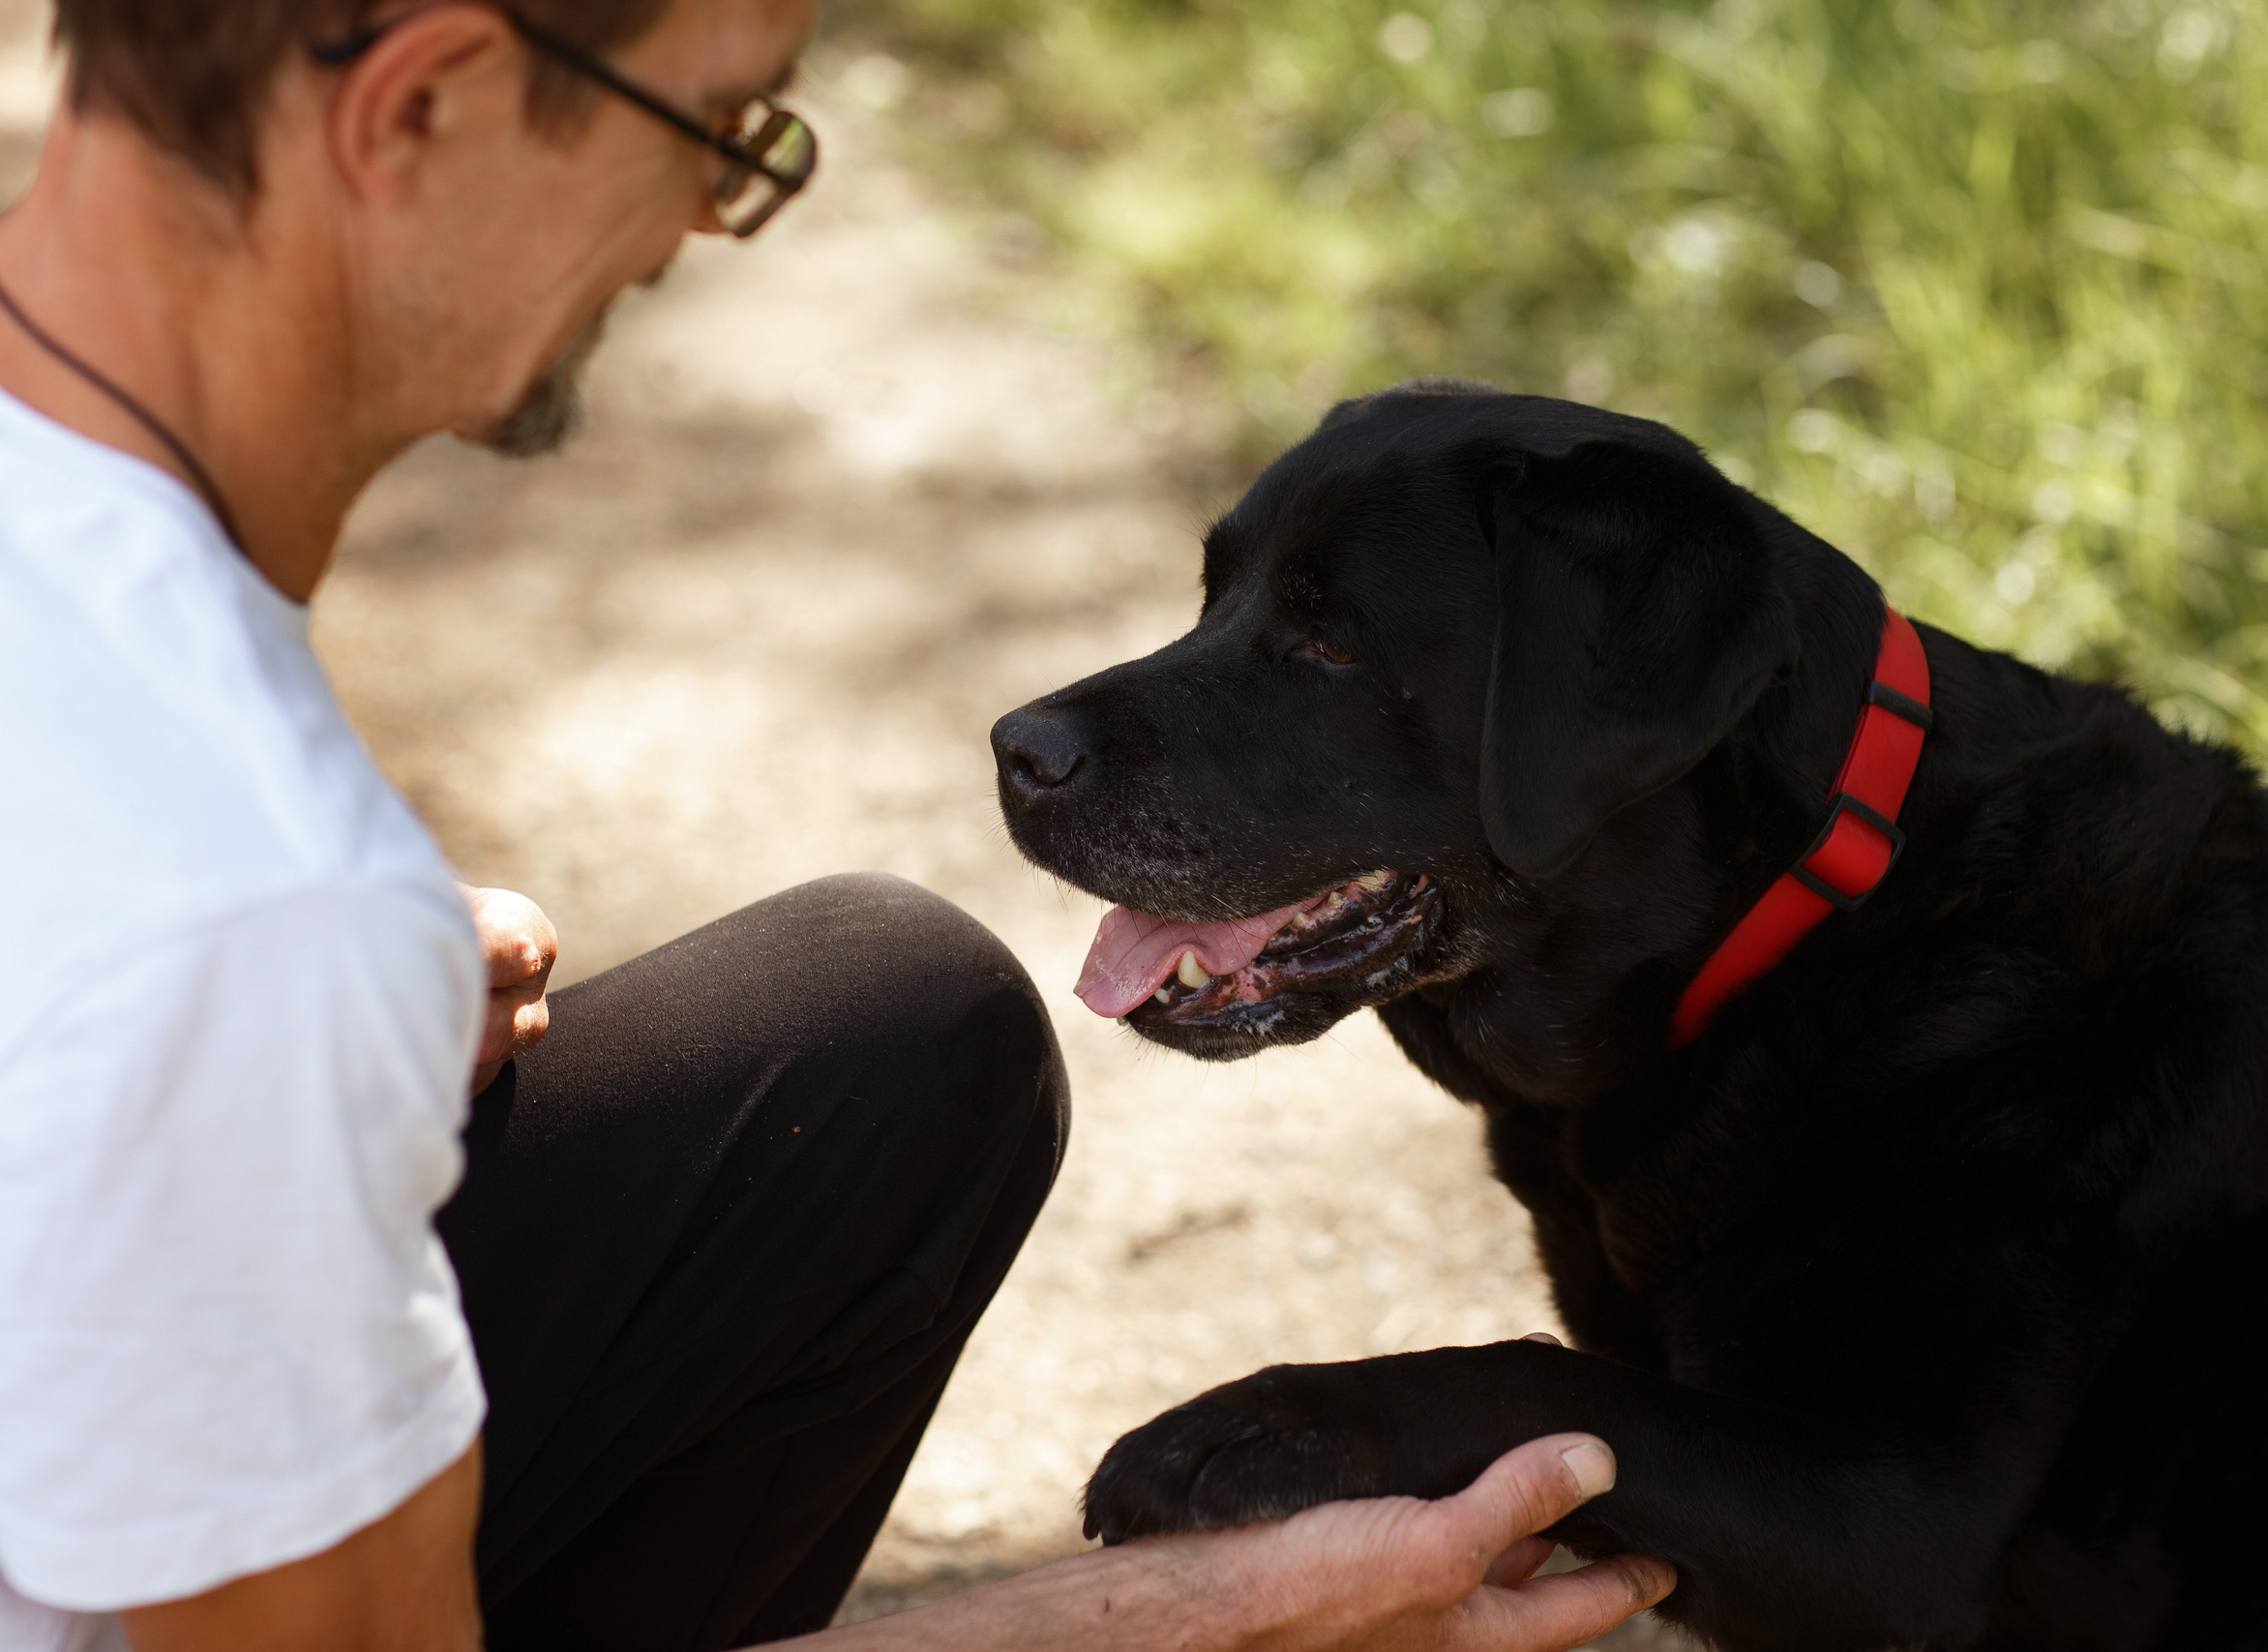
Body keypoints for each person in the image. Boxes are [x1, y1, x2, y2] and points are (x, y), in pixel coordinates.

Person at [0, 3, 1677, 1649]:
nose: (692, 229)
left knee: (895, 1032)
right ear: (420, 101)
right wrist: (1202, 1618)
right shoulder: (250, 908)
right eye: (713, 133)